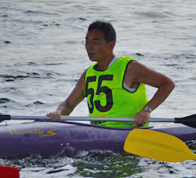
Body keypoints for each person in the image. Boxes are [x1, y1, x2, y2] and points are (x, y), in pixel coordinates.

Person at [47, 21, 175, 127]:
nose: (89, 47)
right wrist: (58, 113)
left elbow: (167, 84)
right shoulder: (88, 74)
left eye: (95, 42)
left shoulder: (128, 67)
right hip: (98, 134)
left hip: (129, 133)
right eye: (87, 41)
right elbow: (68, 104)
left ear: (111, 45)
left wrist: (146, 111)